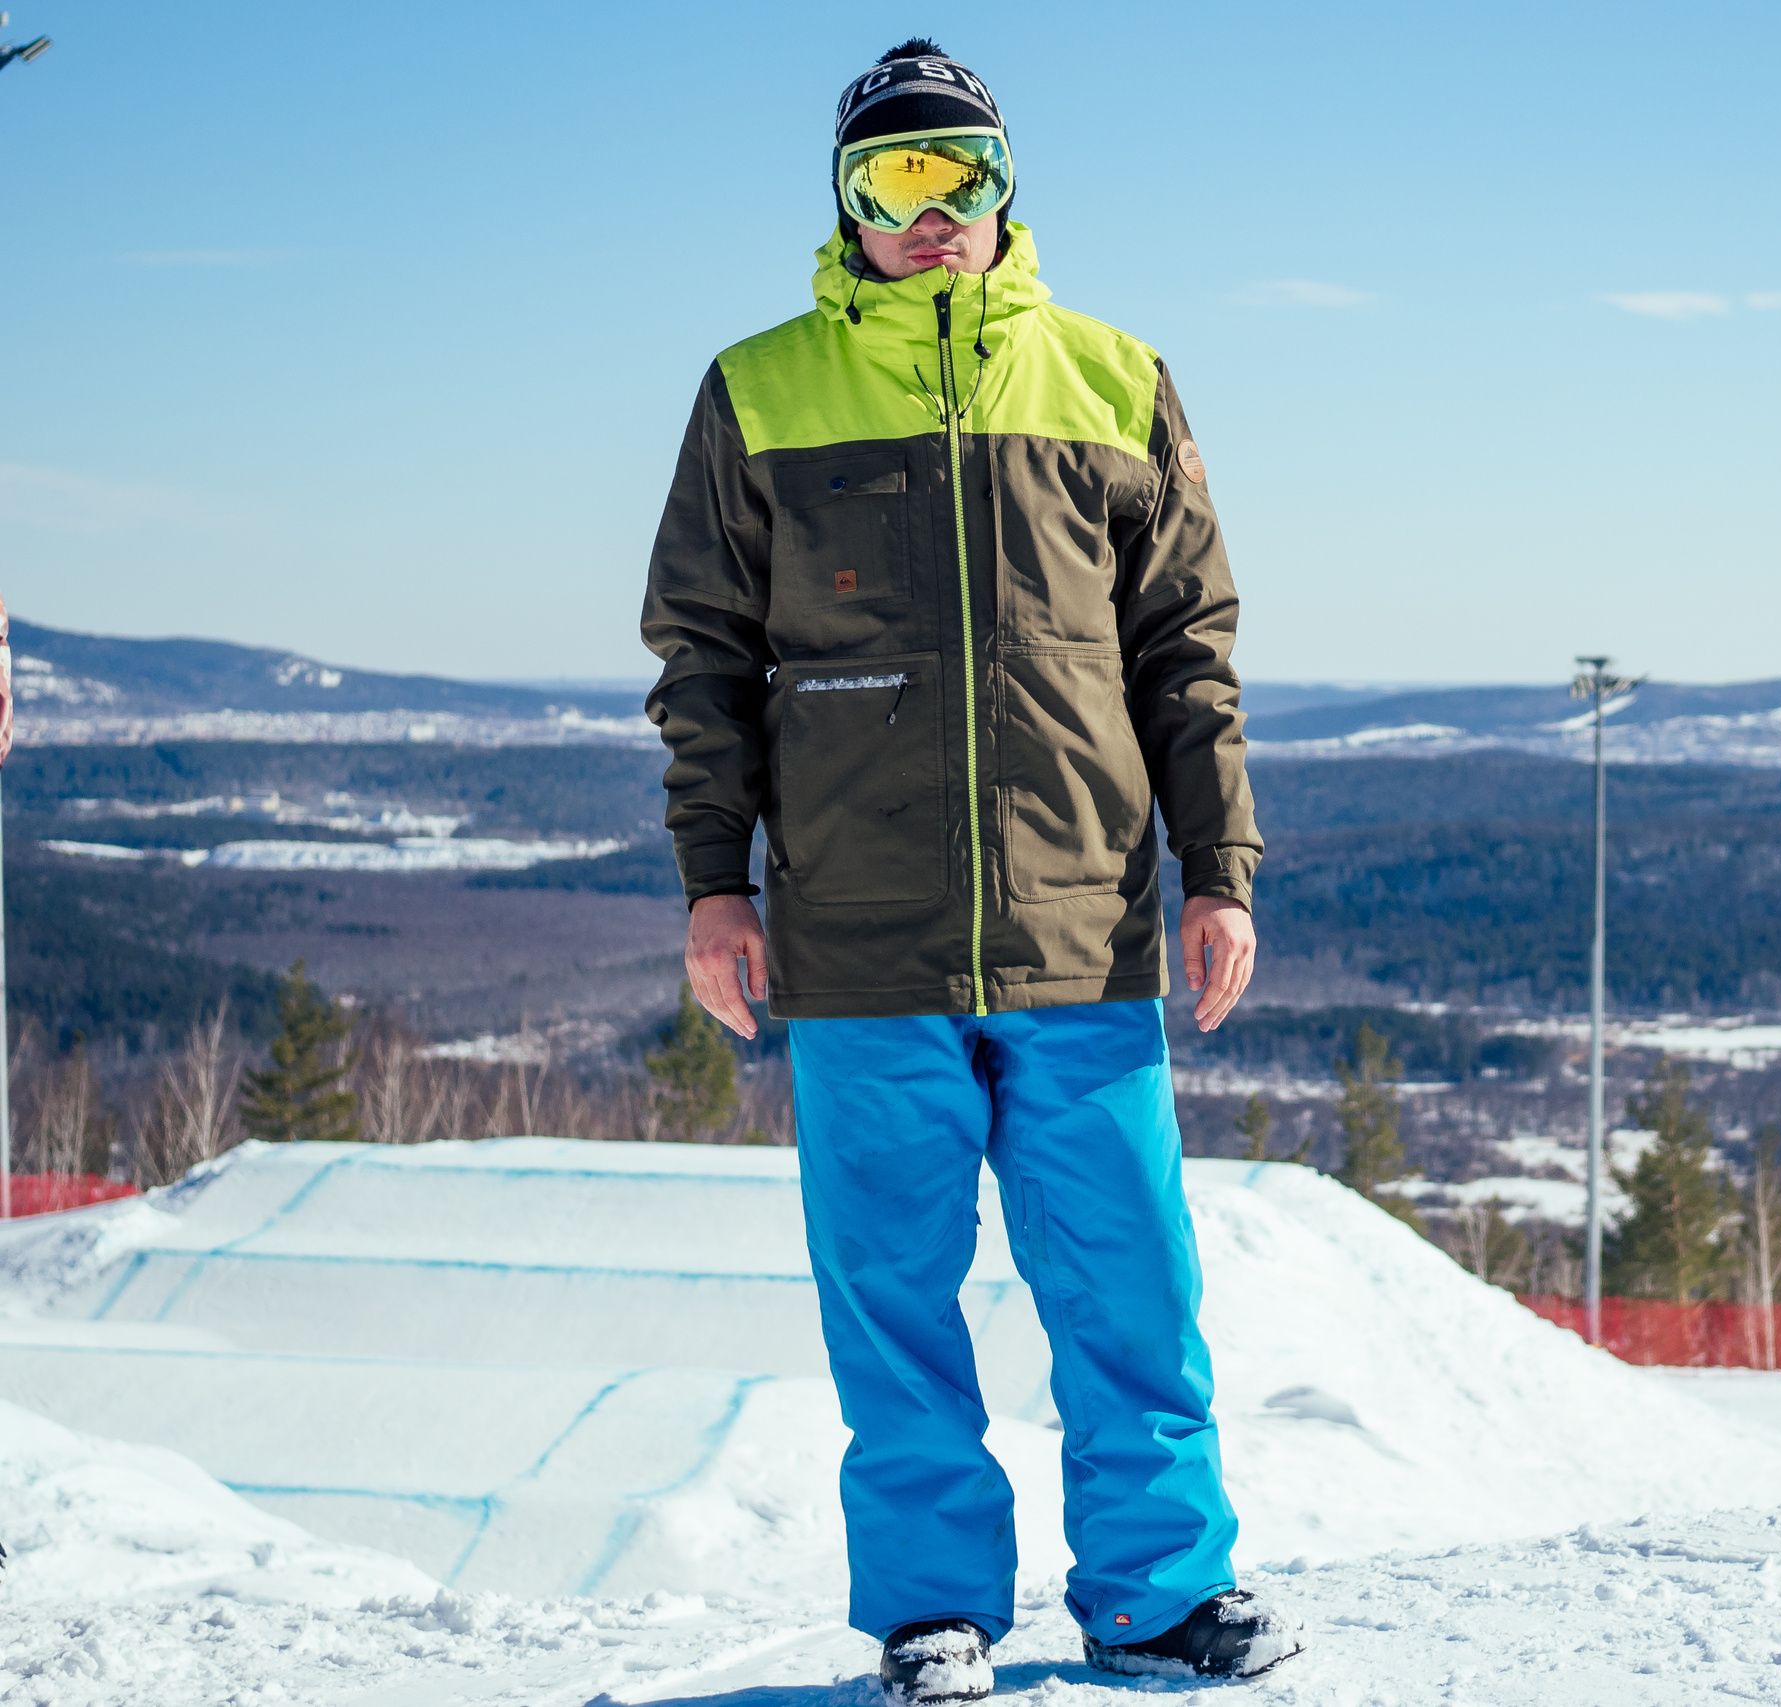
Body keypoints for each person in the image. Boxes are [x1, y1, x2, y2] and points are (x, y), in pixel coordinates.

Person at [638, 38, 1296, 1703]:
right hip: (861, 938)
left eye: (963, 179)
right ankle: (935, 1608)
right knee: (893, 1300)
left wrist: (1216, 866)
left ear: (1010, 193)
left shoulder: (1112, 377)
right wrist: (716, 883)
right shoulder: (761, 389)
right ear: (849, 206)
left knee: (1131, 1278)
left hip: (1085, 926)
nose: (933, 216)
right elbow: (702, 659)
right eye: (897, 184)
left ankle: (1158, 1592)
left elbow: (1186, 654)